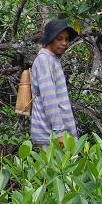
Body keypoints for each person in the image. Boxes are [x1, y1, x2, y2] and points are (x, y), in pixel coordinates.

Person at [30, 19, 78, 147]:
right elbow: (49, 99)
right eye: (59, 39)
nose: (64, 43)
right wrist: (59, 132)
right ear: (50, 40)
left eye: (67, 39)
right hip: (51, 137)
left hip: (58, 136)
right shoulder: (44, 60)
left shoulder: (52, 59)